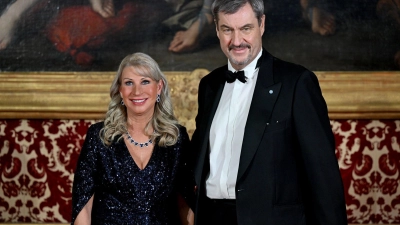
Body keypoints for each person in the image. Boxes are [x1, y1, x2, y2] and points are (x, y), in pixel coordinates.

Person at [190, 0, 348, 224]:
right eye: (227, 29)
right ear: (216, 29)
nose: (237, 41)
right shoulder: (209, 85)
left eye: (246, 28)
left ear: (261, 24)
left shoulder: (297, 83)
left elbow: (323, 178)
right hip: (212, 218)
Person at [71, 52, 194, 224]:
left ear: (159, 87)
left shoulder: (176, 138)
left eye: (145, 82)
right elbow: (83, 206)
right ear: (120, 90)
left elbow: (186, 203)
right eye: (129, 83)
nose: (137, 91)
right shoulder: (99, 136)